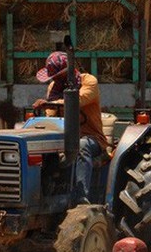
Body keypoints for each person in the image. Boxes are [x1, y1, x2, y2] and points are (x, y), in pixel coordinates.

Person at [33, 51, 108, 204]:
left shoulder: (89, 81)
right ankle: (41, 194)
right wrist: (48, 108)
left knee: (81, 145)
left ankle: (81, 197)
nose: (55, 79)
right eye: (53, 77)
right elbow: (51, 115)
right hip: (62, 138)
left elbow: (77, 100)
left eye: (59, 76)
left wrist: (51, 103)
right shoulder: (53, 87)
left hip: (91, 138)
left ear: (69, 72)